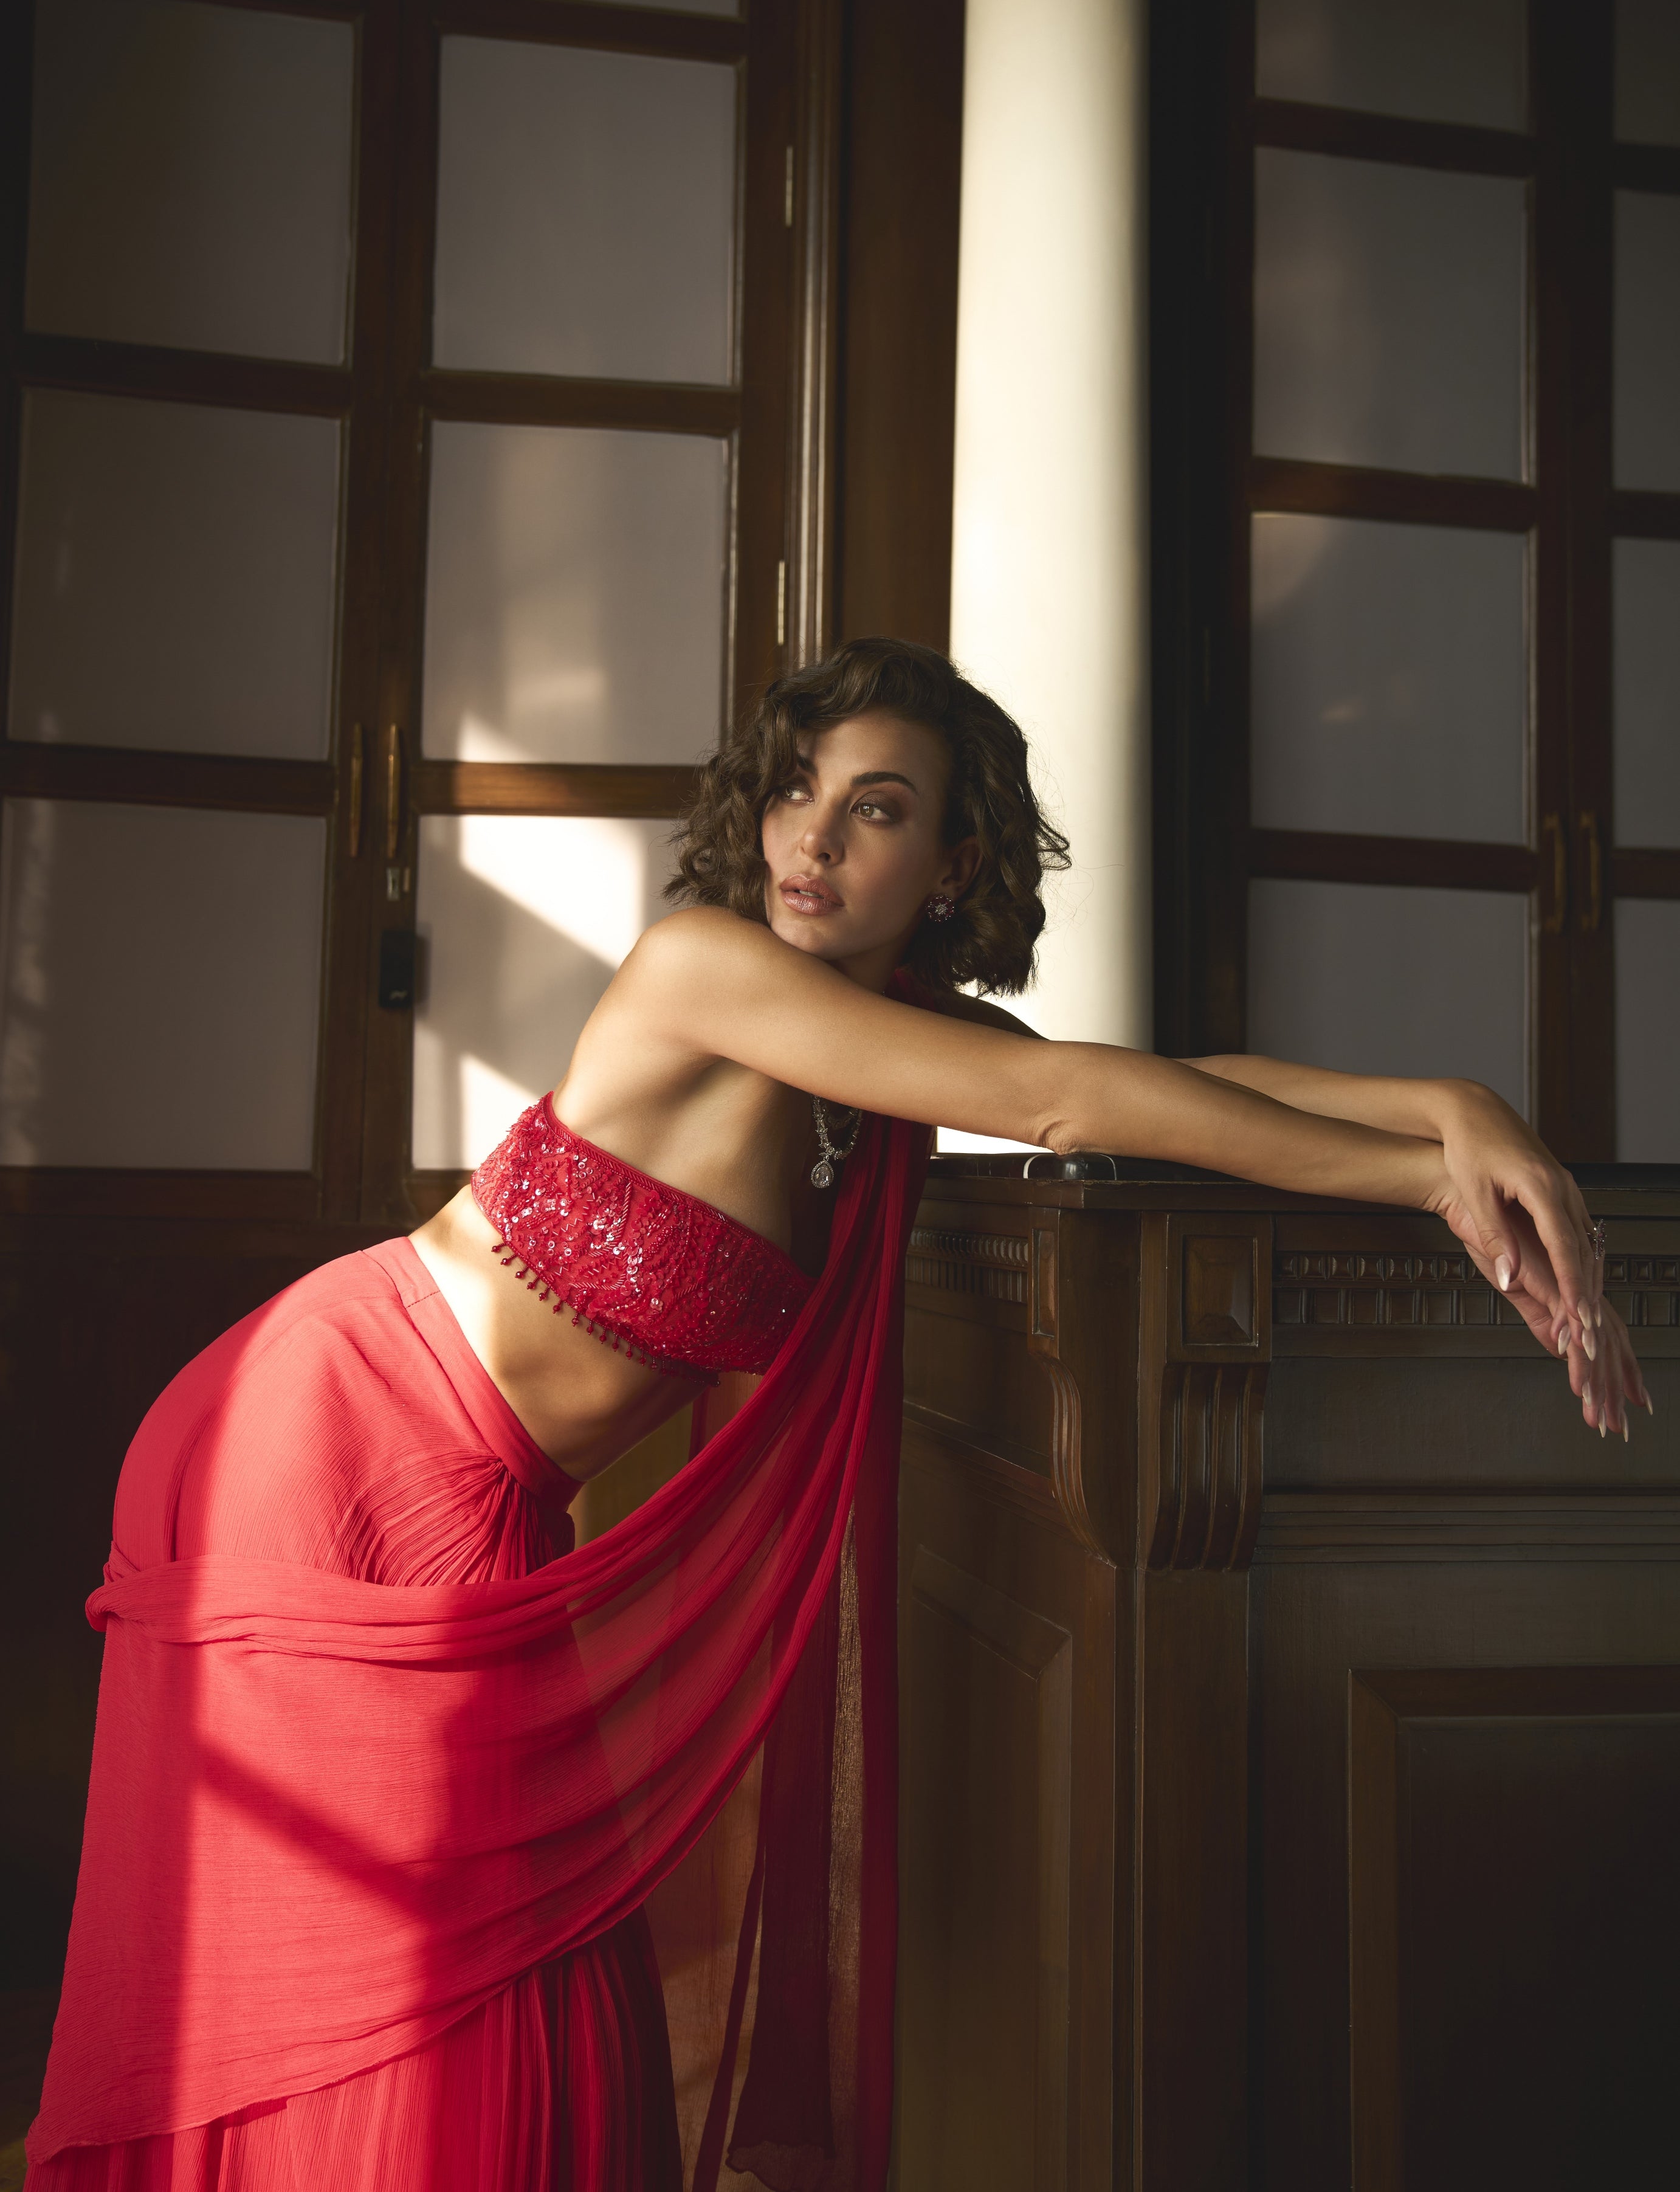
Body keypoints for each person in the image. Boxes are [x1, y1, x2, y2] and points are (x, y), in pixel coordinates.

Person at [27, 640, 1648, 2191]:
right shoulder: (705, 964)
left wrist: (1449, 1109)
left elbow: (1139, 1073)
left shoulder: (889, 1059)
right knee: (402, 1973)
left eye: (874, 807)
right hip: (330, 1432)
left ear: (952, 862)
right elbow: (1063, 1103)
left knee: (508, 1958)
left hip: (481, 1485)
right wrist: (1423, 1184)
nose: (809, 838)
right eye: (795, 791)